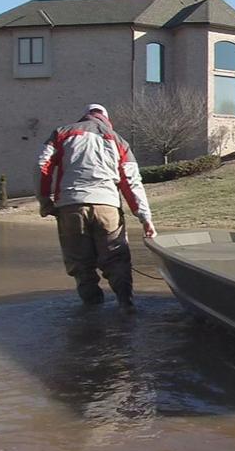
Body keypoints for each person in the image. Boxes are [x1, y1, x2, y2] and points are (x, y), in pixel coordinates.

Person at [35, 104, 156, 313]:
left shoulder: (62, 133)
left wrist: (45, 201)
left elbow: (42, 165)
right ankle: (126, 305)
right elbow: (131, 181)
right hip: (107, 206)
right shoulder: (119, 140)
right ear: (106, 119)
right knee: (116, 259)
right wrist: (145, 218)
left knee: (81, 264)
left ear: (85, 116)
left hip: (70, 206)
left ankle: (91, 312)